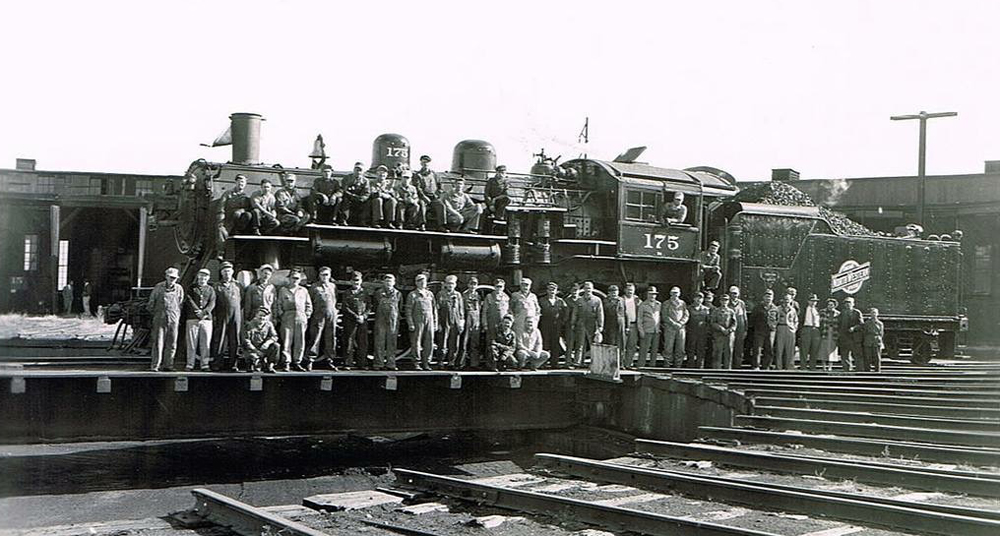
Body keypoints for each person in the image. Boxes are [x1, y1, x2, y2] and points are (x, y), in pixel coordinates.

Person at [275, 268, 313, 371]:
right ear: (289, 279)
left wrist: (306, 315)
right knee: (287, 340)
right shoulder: (283, 290)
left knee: (299, 340)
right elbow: (278, 304)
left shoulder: (303, 290)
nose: (295, 280)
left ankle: (297, 362)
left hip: (300, 316)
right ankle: (286, 362)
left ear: (300, 279)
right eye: (293, 278)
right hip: (287, 316)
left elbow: (308, 304)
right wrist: (281, 315)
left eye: (297, 278)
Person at [148, 267, 184, 371]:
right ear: (166, 276)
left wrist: (176, 316)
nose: (173, 279)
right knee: (158, 343)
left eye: (174, 278)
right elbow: (151, 302)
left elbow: (180, 304)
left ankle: (168, 365)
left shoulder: (179, 289)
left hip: (173, 318)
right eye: (171, 277)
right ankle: (155, 365)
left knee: (172, 343)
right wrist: (156, 315)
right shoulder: (158, 287)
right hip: (160, 318)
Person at [212, 261, 243, 372]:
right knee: (219, 339)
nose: (227, 273)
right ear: (221, 273)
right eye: (224, 271)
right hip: (221, 315)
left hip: (236, 316)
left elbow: (242, 300)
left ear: (232, 272)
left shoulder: (238, 285)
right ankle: (217, 363)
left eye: (229, 271)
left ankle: (233, 364)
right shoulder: (216, 286)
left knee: (235, 339)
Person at [307, 266, 338, 370]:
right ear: (319, 276)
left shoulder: (333, 286)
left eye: (327, 275)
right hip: (318, 314)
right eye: (322, 275)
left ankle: (330, 359)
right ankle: (311, 359)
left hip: (331, 314)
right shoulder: (314, 287)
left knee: (330, 336)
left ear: (330, 276)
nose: (325, 277)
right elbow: (310, 301)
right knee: (315, 336)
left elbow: (335, 299)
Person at [185, 268, 216, 371]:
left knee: (206, 342)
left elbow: (212, 302)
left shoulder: (211, 289)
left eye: (205, 276)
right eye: (201, 275)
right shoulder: (191, 288)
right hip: (192, 318)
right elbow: (189, 300)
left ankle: (205, 364)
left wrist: (205, 313)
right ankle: (190, 364)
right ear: (198, 276)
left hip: (206, 319)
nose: (203, 278)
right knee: (191, 342)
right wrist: (197, 311)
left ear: (208, 278)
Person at [406, 273, 437, 370]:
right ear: (416, 283)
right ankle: (416, 362)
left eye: (424, 281)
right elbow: (408, 310)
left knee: (429, 341)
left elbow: (434, 309)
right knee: (416, 341)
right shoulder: (413, 295)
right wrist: (410, 323)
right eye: (419, 281)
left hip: (429, 319)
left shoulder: (430, 294)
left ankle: (426, 362)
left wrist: (435, 322)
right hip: (417, 320)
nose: (422, 283)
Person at [569, 281, 604, 367]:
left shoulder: (597, 300)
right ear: (583, 289)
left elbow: (600, 313)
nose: (587, 290)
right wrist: (573, 323)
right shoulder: (579, 300)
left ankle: (595, 363)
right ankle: (578, 362)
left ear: (592, 289)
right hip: (580, 323)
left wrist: (600, 326)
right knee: (580, 344)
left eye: (589, 288)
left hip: (592, 323)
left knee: (593, 344)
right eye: (586, 288)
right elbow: (575, 313)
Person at [373, 273, 402, 370]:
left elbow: (400, 307)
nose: (388, 282)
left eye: (390, 281)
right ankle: (378, 363)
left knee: (392, 342)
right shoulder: (378, 293)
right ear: (383, 282)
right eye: (386, 280)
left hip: (393, 320)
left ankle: (391, 363)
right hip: (380, 319)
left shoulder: (398, 294)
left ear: (394, 282)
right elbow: (375, 305)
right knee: (379, 341)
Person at [341, 271, 370, 369]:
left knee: (362, 342)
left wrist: (364, 316)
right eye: (354, 280)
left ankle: (361, 363)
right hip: (350, 320)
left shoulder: (365, 293)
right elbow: (345, 307)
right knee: (349, 341)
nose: (356, 282)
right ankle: (347, 363)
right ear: (351, 281)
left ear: (361, 281)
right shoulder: (346, 293)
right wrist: (355, 316)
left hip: (362, 320)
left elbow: (369, 306)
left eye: (358, 280)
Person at [436, 274, 465, 368]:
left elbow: (461, 309)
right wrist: (438, 323)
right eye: (448, 283)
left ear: (455, 285)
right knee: (442, 341)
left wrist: (461, 321)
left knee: (454, 342)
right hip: (444, 320)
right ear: (445, 284)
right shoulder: (440, 294)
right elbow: (437, 309)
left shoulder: (458, 295)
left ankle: (451, 361)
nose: (450, 285)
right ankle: (440, 361)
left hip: (455, 319)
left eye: (452, 284)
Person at [538, 281, 569, 368]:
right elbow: (537, 311)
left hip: (556, 325)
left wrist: (563, 321)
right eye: (550, 289)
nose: (552, 291)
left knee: (555, 344)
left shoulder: (560, 301)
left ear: (556, 291)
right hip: (545, 324)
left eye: (554, 289)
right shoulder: (542, 300)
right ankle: (543, 363)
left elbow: (566, 311)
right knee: (545, 343)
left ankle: (554, 363)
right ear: (547, 290)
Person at [481, 278, 510, 370]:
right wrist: (484, 323)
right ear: (494, 287)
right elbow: (485, 311)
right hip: (491, 324)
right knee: (491, 343)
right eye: (497, 287)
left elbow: (509, 312)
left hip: (502, 325)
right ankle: (491, 364)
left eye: (500, 287)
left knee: (502, 343)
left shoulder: (506, 297)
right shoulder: (489, 297)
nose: (499, 288)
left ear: (503, 287)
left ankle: (501, 364)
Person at [243, 307, 280, 373]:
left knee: (276, 346)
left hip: (263, 348)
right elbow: (246, 341)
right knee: (252, 361)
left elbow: (274, 336)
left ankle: (270, 365)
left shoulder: (269, 324)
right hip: (252, 349)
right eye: (260, 315)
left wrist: (267, 343)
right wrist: (256, 351)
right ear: (256, 315)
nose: (262, 318)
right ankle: (252, 364)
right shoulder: (249, 325)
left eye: (264, 316)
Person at [750, 289, 779, 370]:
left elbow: (777, 319)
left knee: (769, 349)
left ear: (773, 298)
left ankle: (766, 366)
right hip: (759, 331)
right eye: (766, 296)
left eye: (770, 297)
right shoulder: (757, 307)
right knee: (757, 349)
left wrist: (773, 326)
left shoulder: (775, 309)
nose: (768, 298)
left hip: (770, 332)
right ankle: (756, 366)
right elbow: (752, 319)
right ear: (763, 297)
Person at [661, 286, 689, 367]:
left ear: (679, 294)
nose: (675, 294)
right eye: (673, 293)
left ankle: (678, 365)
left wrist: (681, 323)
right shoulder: (666, 303)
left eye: (676, 293)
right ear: (670, 293)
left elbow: (686, 315)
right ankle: (667, 364)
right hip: (670, 328)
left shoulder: (683, 303)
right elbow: (665, 316)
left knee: (680, 348)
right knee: (668, 347)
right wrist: (673, 324)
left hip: (680, 328)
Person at [414, 155, 443, 230]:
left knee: (441, 205)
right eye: (423, 162)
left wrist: (438, 194)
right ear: (421, 163)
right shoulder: (417, 175)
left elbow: (440, 185)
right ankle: (422, 224)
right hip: (423, 196)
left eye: (427, 162)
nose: (425, 164)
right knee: (422, 205)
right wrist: (424, 197)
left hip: (433, 196)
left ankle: (441, 225)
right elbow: (418, 187)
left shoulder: (435, 174)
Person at [636, 286, 661, 368]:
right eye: (650, 294)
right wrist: (641, 331)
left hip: (656, 331)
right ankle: (641, 366)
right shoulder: (643, 305)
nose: (652, 296)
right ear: (647, 294)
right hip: (646, 330)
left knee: (654, 350)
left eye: (654, 294)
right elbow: (639, 319)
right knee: (644, 350)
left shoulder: (659, 304)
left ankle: (652, 367)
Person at [460, 276, 482, 369]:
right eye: (471, 284)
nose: (473, 286)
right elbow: (460, 308)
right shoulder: (463, 295)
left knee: (475, 343)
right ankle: (461, 363)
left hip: (476, 319)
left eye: (475, 284)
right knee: (464, 342)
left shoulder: (478, 295)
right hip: (466, 318)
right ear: (468, 284)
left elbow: (480, 308)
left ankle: (474, 363)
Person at [709, 294, 736, 369]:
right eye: (723, 300)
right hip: (718, 334)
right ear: (720, 301)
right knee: (717, 352)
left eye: (726, 300)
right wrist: (721, 329)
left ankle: (728, 369)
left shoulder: (731, 311)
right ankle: (716, 370)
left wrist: (729, 330)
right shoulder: (716, 311)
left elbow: (734, 323)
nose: (724, 302)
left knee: (729, 352)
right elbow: (713, 322)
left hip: (729, 334)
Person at [837, 296, 864, 372]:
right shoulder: (842, 313)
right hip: (844, 337)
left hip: (854, 337)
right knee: (844, 354)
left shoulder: (857, 312)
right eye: (846, 303)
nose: (847, 304)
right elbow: (838, 324)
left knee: (857, 354)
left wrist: (854, 328)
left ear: (853, 304)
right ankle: (847, 369)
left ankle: (859, 369)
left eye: (849, 302)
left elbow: (861, 324)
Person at [773, 292, 799, 370]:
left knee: (790, 349)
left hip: (790, 329)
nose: (786, 301)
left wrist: (794, 328)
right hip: (781, 327)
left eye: (788, 299)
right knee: (779, 349)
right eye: (785, 299)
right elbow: (774, 319)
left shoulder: (793, 310)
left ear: (791, 300)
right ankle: (779, 366)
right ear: (782, 300)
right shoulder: (777, 309)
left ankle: (790, 366)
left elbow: (796, 320)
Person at [685, 291, 711, 368]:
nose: (699, 300)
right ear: (694, 299)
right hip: (691, 331)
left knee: (701, 349)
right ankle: (690, 366)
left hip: (702, 333)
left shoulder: (706, 309)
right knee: (691, 349)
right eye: (697, 298)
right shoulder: (689, 308)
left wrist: (707, 330)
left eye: (701, 298)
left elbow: (708, 321)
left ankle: (700, 366)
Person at [799, 294, 823, 370]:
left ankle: (812, 366)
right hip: (806, 329)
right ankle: (803, 366)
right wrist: (800, 331)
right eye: (811, 301)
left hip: (816, 330)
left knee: (814, 349)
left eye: (815, 301)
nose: (813, 302)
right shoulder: (804, 309)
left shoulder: (818, 310)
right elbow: (800, 320)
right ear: (808, 301)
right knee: (804, 349)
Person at [728, 286, 748, 368]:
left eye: (735, 293)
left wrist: (745, 329)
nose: (734, 295)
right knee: (729, 346)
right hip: (730, 326)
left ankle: (737, 366)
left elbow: (745, 316)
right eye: (732, 293)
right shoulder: (727, 302)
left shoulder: (741, 303)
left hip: (740, 327)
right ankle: (729, 365)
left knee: (739, 347)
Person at [621, 283, 640, 367]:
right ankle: (621, 364)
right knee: (622, 345)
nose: (630, 291)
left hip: (634, 324)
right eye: (628, 290)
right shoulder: (621, 299)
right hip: (623, 325)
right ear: (625, 290)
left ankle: (628, 364)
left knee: (632, 346)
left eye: (632, 290)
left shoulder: (637, 300)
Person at [818, 298, 840, 371]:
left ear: (834, 306)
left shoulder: (838, 313)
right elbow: (819, 322)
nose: (830, 306)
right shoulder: (822, 312)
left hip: (834, 333)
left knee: (832, 350)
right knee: (823, 349)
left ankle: (830, 367)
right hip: (824, 332)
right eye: (829, 305)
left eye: (832, 305)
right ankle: (824, 366)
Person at [603, 285, 626, 352]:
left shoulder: (621, 300)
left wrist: (627, 326)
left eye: (615, 291)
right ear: (609, 293)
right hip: (610, 323)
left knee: (621, 342)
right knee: (611, 342)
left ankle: (621, 360)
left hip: (621, 323)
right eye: (612, 292)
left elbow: (625, 312)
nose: (614, 293)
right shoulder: (605, 301)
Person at [861, 307, 884, 372]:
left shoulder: (880, 323)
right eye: (872, 313)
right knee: (867, 356)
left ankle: (877, 370)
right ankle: (867, 370)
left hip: (877, 340)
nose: (873, 314)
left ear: (877, 314)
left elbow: (881, 333)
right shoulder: (867, 323)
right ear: (870, 314)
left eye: (875, 313)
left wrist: (880, 341)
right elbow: (864, 332)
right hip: (868, 340)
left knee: (877, 357)